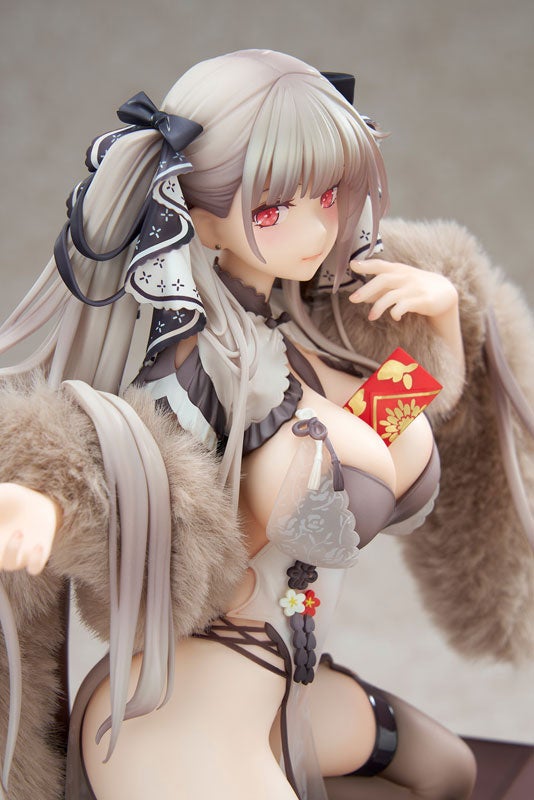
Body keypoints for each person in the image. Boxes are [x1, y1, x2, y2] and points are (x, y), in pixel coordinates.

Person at [0, 49, 531, 800]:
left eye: (328, 196)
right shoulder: (190, 368)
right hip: (187, 708)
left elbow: (398, 414)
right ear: (203, 216)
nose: (315, 230)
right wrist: (45, 506)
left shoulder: (304, 347)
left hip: (291, 681)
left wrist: (444, 317)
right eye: (274, 209)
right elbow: (124, 468)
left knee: (448, 771)